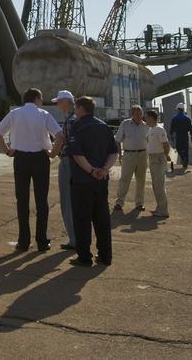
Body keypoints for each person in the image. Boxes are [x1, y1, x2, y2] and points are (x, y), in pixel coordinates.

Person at [0, 87, 63, 252]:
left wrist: (7, 150)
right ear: (37, 99)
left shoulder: (15, 113)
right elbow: (60, 135)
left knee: (22, 200)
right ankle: (42, 240)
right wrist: (53, 153)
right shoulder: (43, 114)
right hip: (40, 158)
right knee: (41, 200)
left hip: (21, 158)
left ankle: (23, 241)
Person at [65, 96, 118, 267]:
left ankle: (84, 256)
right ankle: (105, 255)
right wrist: (103, 169)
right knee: (102, 217)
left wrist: (91, 170)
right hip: (101, 180)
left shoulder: (77, 126)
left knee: (82, 218)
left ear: (80, 108)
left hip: (82, 180)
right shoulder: (104, 126)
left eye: (76, 107)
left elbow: (77, 154)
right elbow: (113, 152)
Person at [52, 90, 77, 250]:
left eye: (60, 102)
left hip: (68, 161)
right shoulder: (75, 119)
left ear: (67, 102)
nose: (57, 105)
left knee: (67, 201)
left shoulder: (69, 121)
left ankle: (73, 239)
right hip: (76, 163)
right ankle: (77, 236)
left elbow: (62, 140)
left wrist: (52, 152)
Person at [113, 105, 149, 213]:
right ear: (132, 114)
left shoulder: (146, 126)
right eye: (136, 114)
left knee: (141, 180)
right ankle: (119, 202)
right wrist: (120, 155)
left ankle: (139, 203)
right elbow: (118, 140)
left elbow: (150, 141)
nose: (139, 116)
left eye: (140, 114)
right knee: (124, 179)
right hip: (129, 155)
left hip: (143, 155)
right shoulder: (125, 124)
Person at [145, 109, 171, 218]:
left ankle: (163, 210)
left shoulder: (159, 130)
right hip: (153, 158)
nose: (145, 119)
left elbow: (165, 144)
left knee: (159, 185)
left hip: (158, 158)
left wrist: (166, 155)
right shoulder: (151, 129)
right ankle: (160, 207)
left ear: (151, 118)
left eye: (147, 117)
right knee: (156, 185)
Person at [169, 104, 192, 171]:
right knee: (186, 150)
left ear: (178, 109)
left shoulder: (174, 118)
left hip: (178, 136)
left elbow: (171, 129)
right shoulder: (187, 118)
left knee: (178, 148)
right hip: (185, 136)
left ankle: (183, 158)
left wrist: (171, 137)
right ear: (183, 110)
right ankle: (185, 165)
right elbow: (191, 129)